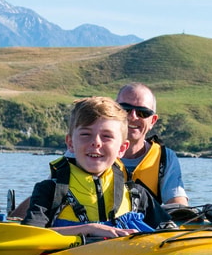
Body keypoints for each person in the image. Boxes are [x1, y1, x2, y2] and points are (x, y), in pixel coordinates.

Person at [21, 97, 167, 238]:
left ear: (122, 148)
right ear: (70, 143)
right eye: (86, 134)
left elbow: (170, 233)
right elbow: (31, 236)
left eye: (106, 136)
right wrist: (89, 229)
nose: (96, 142)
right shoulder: (50, 191)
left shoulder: (137, 194)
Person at [115, 83, 189, 205]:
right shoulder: (93, 151)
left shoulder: (165, 158)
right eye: (125, 109)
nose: (133, 117)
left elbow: (178, 206)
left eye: (142, 112)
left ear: (153, 121)